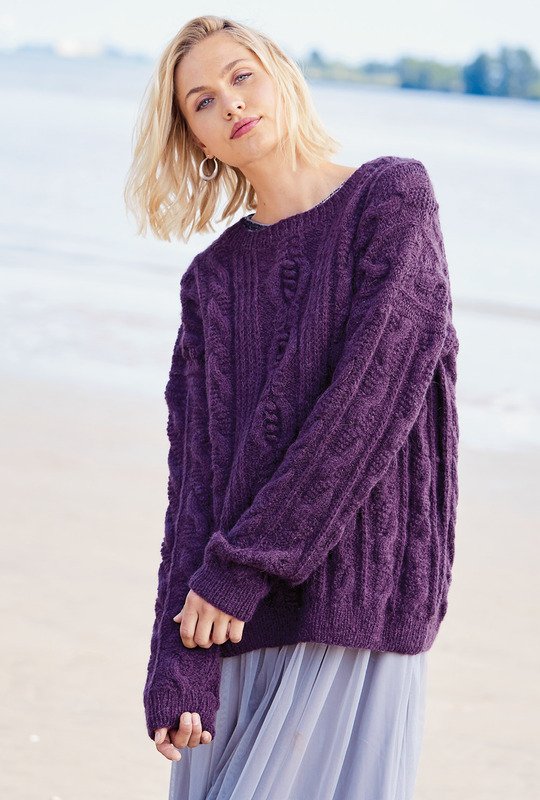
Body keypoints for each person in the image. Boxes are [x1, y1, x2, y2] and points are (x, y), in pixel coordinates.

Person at [124, 14, 460, 800]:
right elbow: (195, 486)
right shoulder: (212, 281)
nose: (231, 103)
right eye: (203, 101)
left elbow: (373, 398)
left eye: (241, 76)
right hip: (231, 624)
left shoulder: (392, 198)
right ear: (197, 139)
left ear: (280, 75)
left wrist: (242, 568)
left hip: (351, 613)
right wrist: (177, 663)